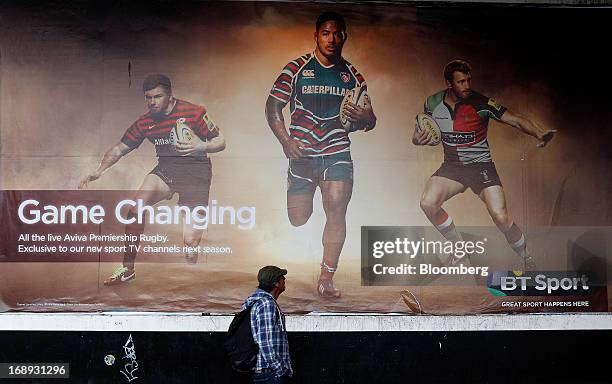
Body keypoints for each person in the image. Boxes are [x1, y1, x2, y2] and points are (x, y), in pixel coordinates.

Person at [265, 12, 377, 298]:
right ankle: (298, 192)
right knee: (299, 218)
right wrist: (285, 141)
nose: (332, 39)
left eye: (337, 33)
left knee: (337, 208)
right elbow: (273, 107)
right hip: (301, 155)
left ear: (344, 37)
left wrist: (366, 117)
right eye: (326, 33)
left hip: (336, 151)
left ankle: (327, 276)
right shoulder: (296, 68)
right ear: (316, 35)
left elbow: (370, 119)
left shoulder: (353, 76)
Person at [79, 74, 226, 285]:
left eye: (157, 97)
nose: (152, 102)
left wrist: (200, 146)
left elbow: (220, 141)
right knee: (136, 208)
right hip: (167, 170)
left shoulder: (193, 112)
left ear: (170, 95)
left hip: (196, 173)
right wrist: (99, 171)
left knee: (190, 242)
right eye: (148, 97)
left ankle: (193, 273)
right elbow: (120, 148)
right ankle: (127, 269)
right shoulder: (146, 121)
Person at [413, 59, 555, 269]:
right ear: (449, 83)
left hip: (481, 167)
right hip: (453, 167)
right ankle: (459, 250)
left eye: (468, 80)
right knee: (428, 203)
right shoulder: (432, 103)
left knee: (501, 216)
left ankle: (527, 258)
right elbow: (416, 135)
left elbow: (515, 119)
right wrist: (418, 138)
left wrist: (539, 133)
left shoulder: (481, 103)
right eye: (461, 82)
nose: (467, 85)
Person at [243, 266, 292, 383]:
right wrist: (279, 369)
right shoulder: (266, 304)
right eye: (281, 277)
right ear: (275, 283)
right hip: (269, 372)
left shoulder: (260, 302)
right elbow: (265, 342)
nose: (284, 279)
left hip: (267, 372)